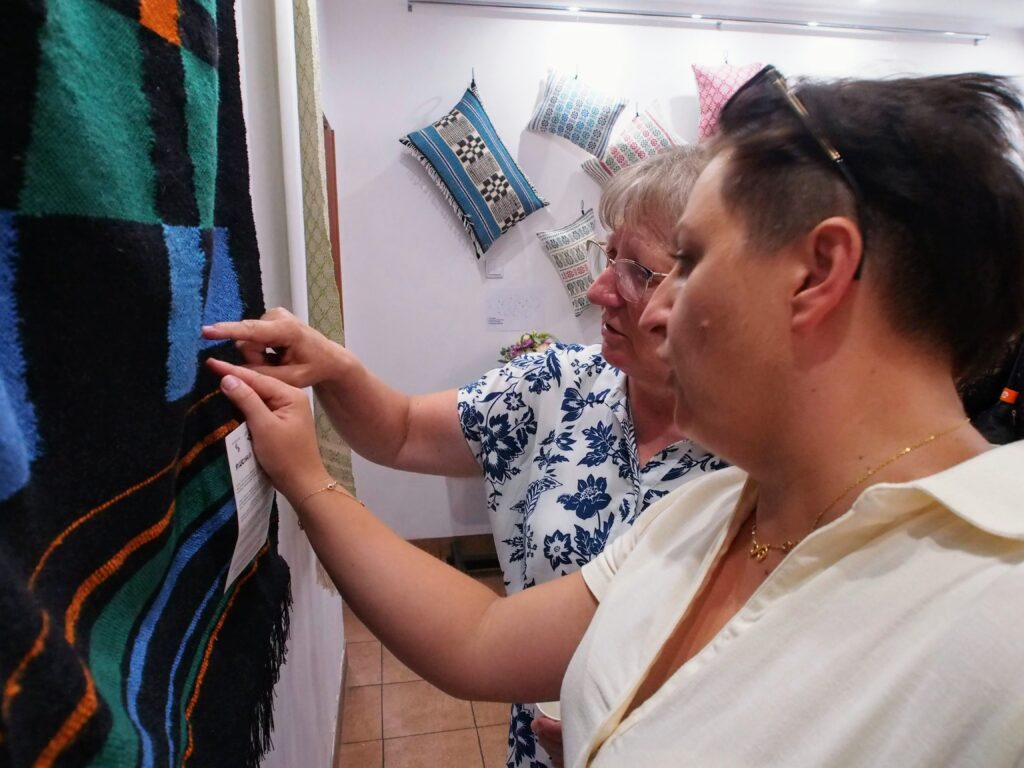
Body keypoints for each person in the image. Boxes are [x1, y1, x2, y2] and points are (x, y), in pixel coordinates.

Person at [207, 68, 1024, 766]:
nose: (654, 310)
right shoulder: (712, 515)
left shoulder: (997, 612)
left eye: (687, 262)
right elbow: (484, 640)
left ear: (816, 274)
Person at [203, 146, 724, 767]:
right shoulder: (560, 382)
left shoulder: (751, 474)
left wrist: (308, 480)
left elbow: (478, 643)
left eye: (637, 271)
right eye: (606, 255)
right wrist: (334, 368)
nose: (599, 288)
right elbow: (401, 431)